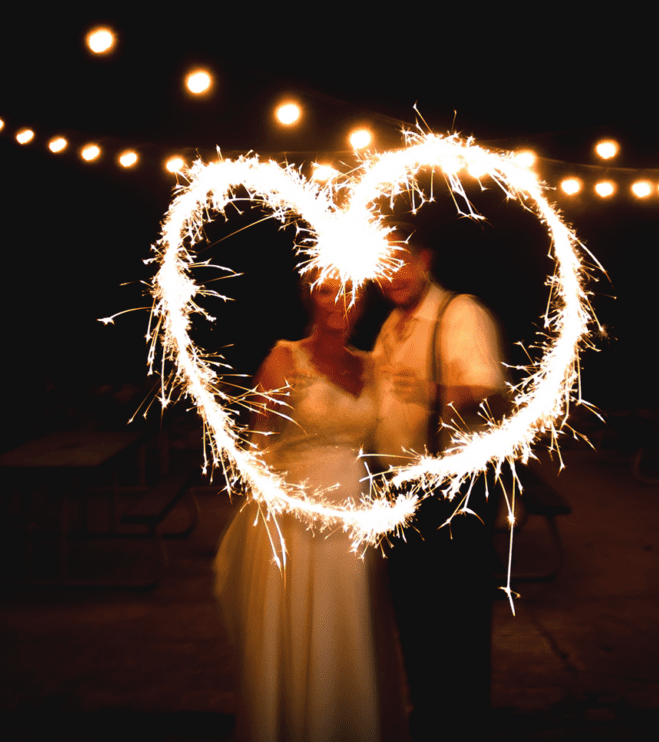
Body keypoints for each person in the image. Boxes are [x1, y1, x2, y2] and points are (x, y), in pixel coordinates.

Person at [214, 273, 409, 742]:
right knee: (302, 631)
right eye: (326, 290)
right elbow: (258, 445)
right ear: (309, 298)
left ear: (362, 304)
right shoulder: (286, 357)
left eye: (350, 292)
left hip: (355, 515)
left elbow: (390, 441)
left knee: (349, 628)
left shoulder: (373, 365)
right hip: (296, 519)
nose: (338, 301)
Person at [372, 223, 509, 741]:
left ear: (424, 258)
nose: (392, 276)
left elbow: (493, 393)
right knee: (416, 618)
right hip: (401, 492)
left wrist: (433, 390)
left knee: (459, 624)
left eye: (400, 261)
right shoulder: (391, 324)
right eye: (382, 267)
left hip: (453, 493)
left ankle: (465, 725)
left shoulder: (461, 312)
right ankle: (430, 719)